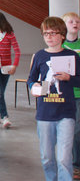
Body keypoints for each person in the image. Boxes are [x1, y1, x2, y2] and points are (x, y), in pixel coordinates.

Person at [28, 17, 80, 181]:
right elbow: (32, 79)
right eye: (46, 33)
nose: (49, 37)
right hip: (44, 113)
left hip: (66, 113)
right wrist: (33, 87)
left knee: (64, 158)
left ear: (62, 35)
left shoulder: (72, 56)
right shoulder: (39, 56)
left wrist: (69, 78)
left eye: (53, 33)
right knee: (47, 158)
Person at [0, 12, 21, 128]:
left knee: (0, 93)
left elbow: (17, 51)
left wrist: (14, 66)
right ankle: (5, 117)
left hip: (6, 69)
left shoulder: (10, 35)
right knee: (0, 93)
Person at [61, 12, 80, 180]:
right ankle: (71, 163)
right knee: (69, 130)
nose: (75, 23)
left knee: (76, 129)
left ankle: (75, 164)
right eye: (71, 21)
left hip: (78, 93)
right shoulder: (60, 46)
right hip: (64, 94)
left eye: (77, 21)